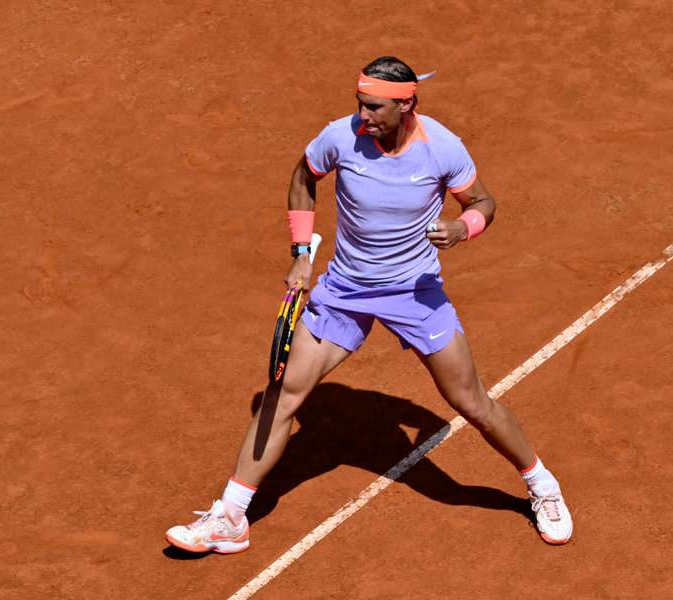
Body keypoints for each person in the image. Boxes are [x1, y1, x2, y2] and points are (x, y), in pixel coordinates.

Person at [165, 56, 573, 554]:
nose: (365, 116)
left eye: (376, 108)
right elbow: (302, 177)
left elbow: (483, 203)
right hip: (345, 291)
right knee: (284, 394)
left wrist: (462, 229)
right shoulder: (340, 136)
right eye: (361, 105)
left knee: (471, 403)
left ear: (407, 104)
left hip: (415, 293)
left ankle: (541, 485)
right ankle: (230, 517)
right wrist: (301, 253)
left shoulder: (442, 149)